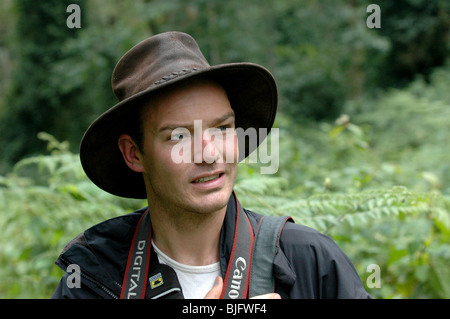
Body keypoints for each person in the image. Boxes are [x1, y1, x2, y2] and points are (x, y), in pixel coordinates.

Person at [52, 31, 370, 299]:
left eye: (221, 129)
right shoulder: (93, 277)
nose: (208, 153)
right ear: (134, 154)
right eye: (178, 135)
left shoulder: (311, 262)